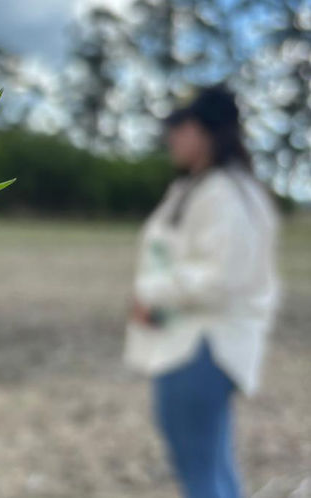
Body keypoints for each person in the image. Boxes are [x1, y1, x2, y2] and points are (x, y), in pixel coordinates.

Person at [124, 87, 280, 498]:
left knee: (200, 471)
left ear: (208, 132)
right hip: (192, 343)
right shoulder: (206, 187)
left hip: (201, 347)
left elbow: (221, 279)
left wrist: (151, 295)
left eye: (181, 126)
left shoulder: (225, 193)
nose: (172, 136)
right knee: (211, 464)